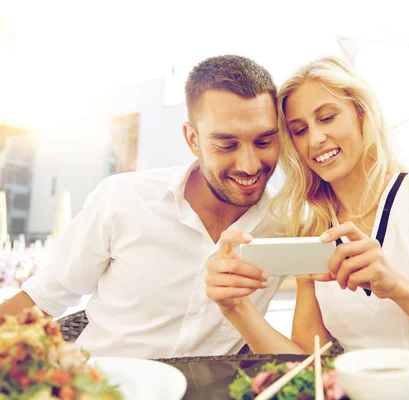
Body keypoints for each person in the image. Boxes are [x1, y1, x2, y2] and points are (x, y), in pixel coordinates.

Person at [206, 56, 409, 371]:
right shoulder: (313, 229)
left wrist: (395, 287)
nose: (315, 139)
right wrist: (237, 309)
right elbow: (306, 368)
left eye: (327, 117)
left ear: (360, 113)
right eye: (299, 130)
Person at [0, 55, 285, 359]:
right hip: (99, 387)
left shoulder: (286, 228)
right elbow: (42, 298)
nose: (250, 165)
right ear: (193, 139)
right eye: (226, 145)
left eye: (264, 142)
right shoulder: (121, 199)